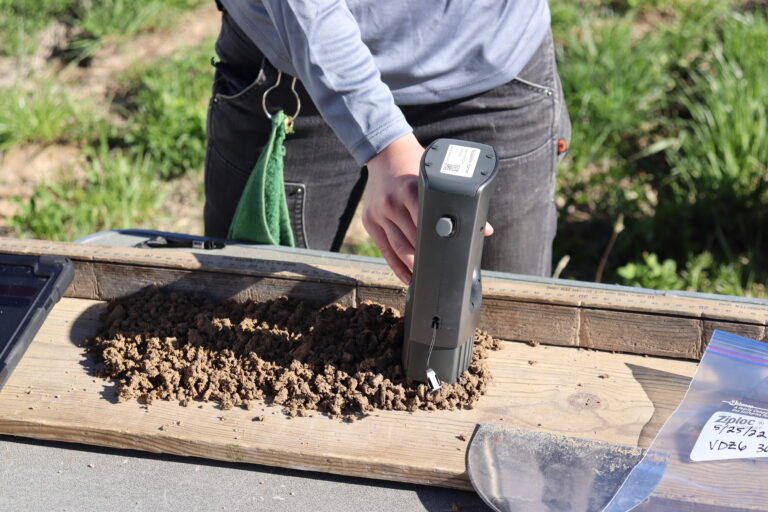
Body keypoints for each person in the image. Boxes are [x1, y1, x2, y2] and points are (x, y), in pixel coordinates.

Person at [204, 0, 570, 284]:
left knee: (507, 317)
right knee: (247, 315)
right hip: (295, 64)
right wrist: (384, 142)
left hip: (490, 57)